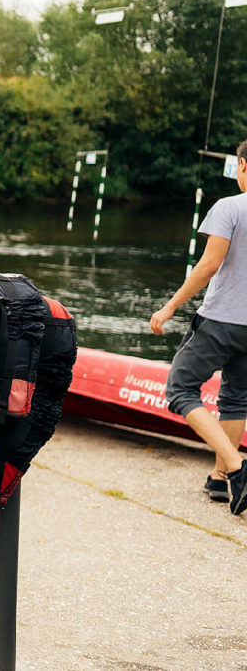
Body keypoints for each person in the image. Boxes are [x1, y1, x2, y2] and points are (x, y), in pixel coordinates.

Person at [149, 140, 247, 515]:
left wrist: (170, 306)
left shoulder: (229, 207)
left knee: (180, 388)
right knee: (236, 398)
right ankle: (220, 481)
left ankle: (237, 469)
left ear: (242, 165)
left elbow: (207, 266)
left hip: (222, 319)